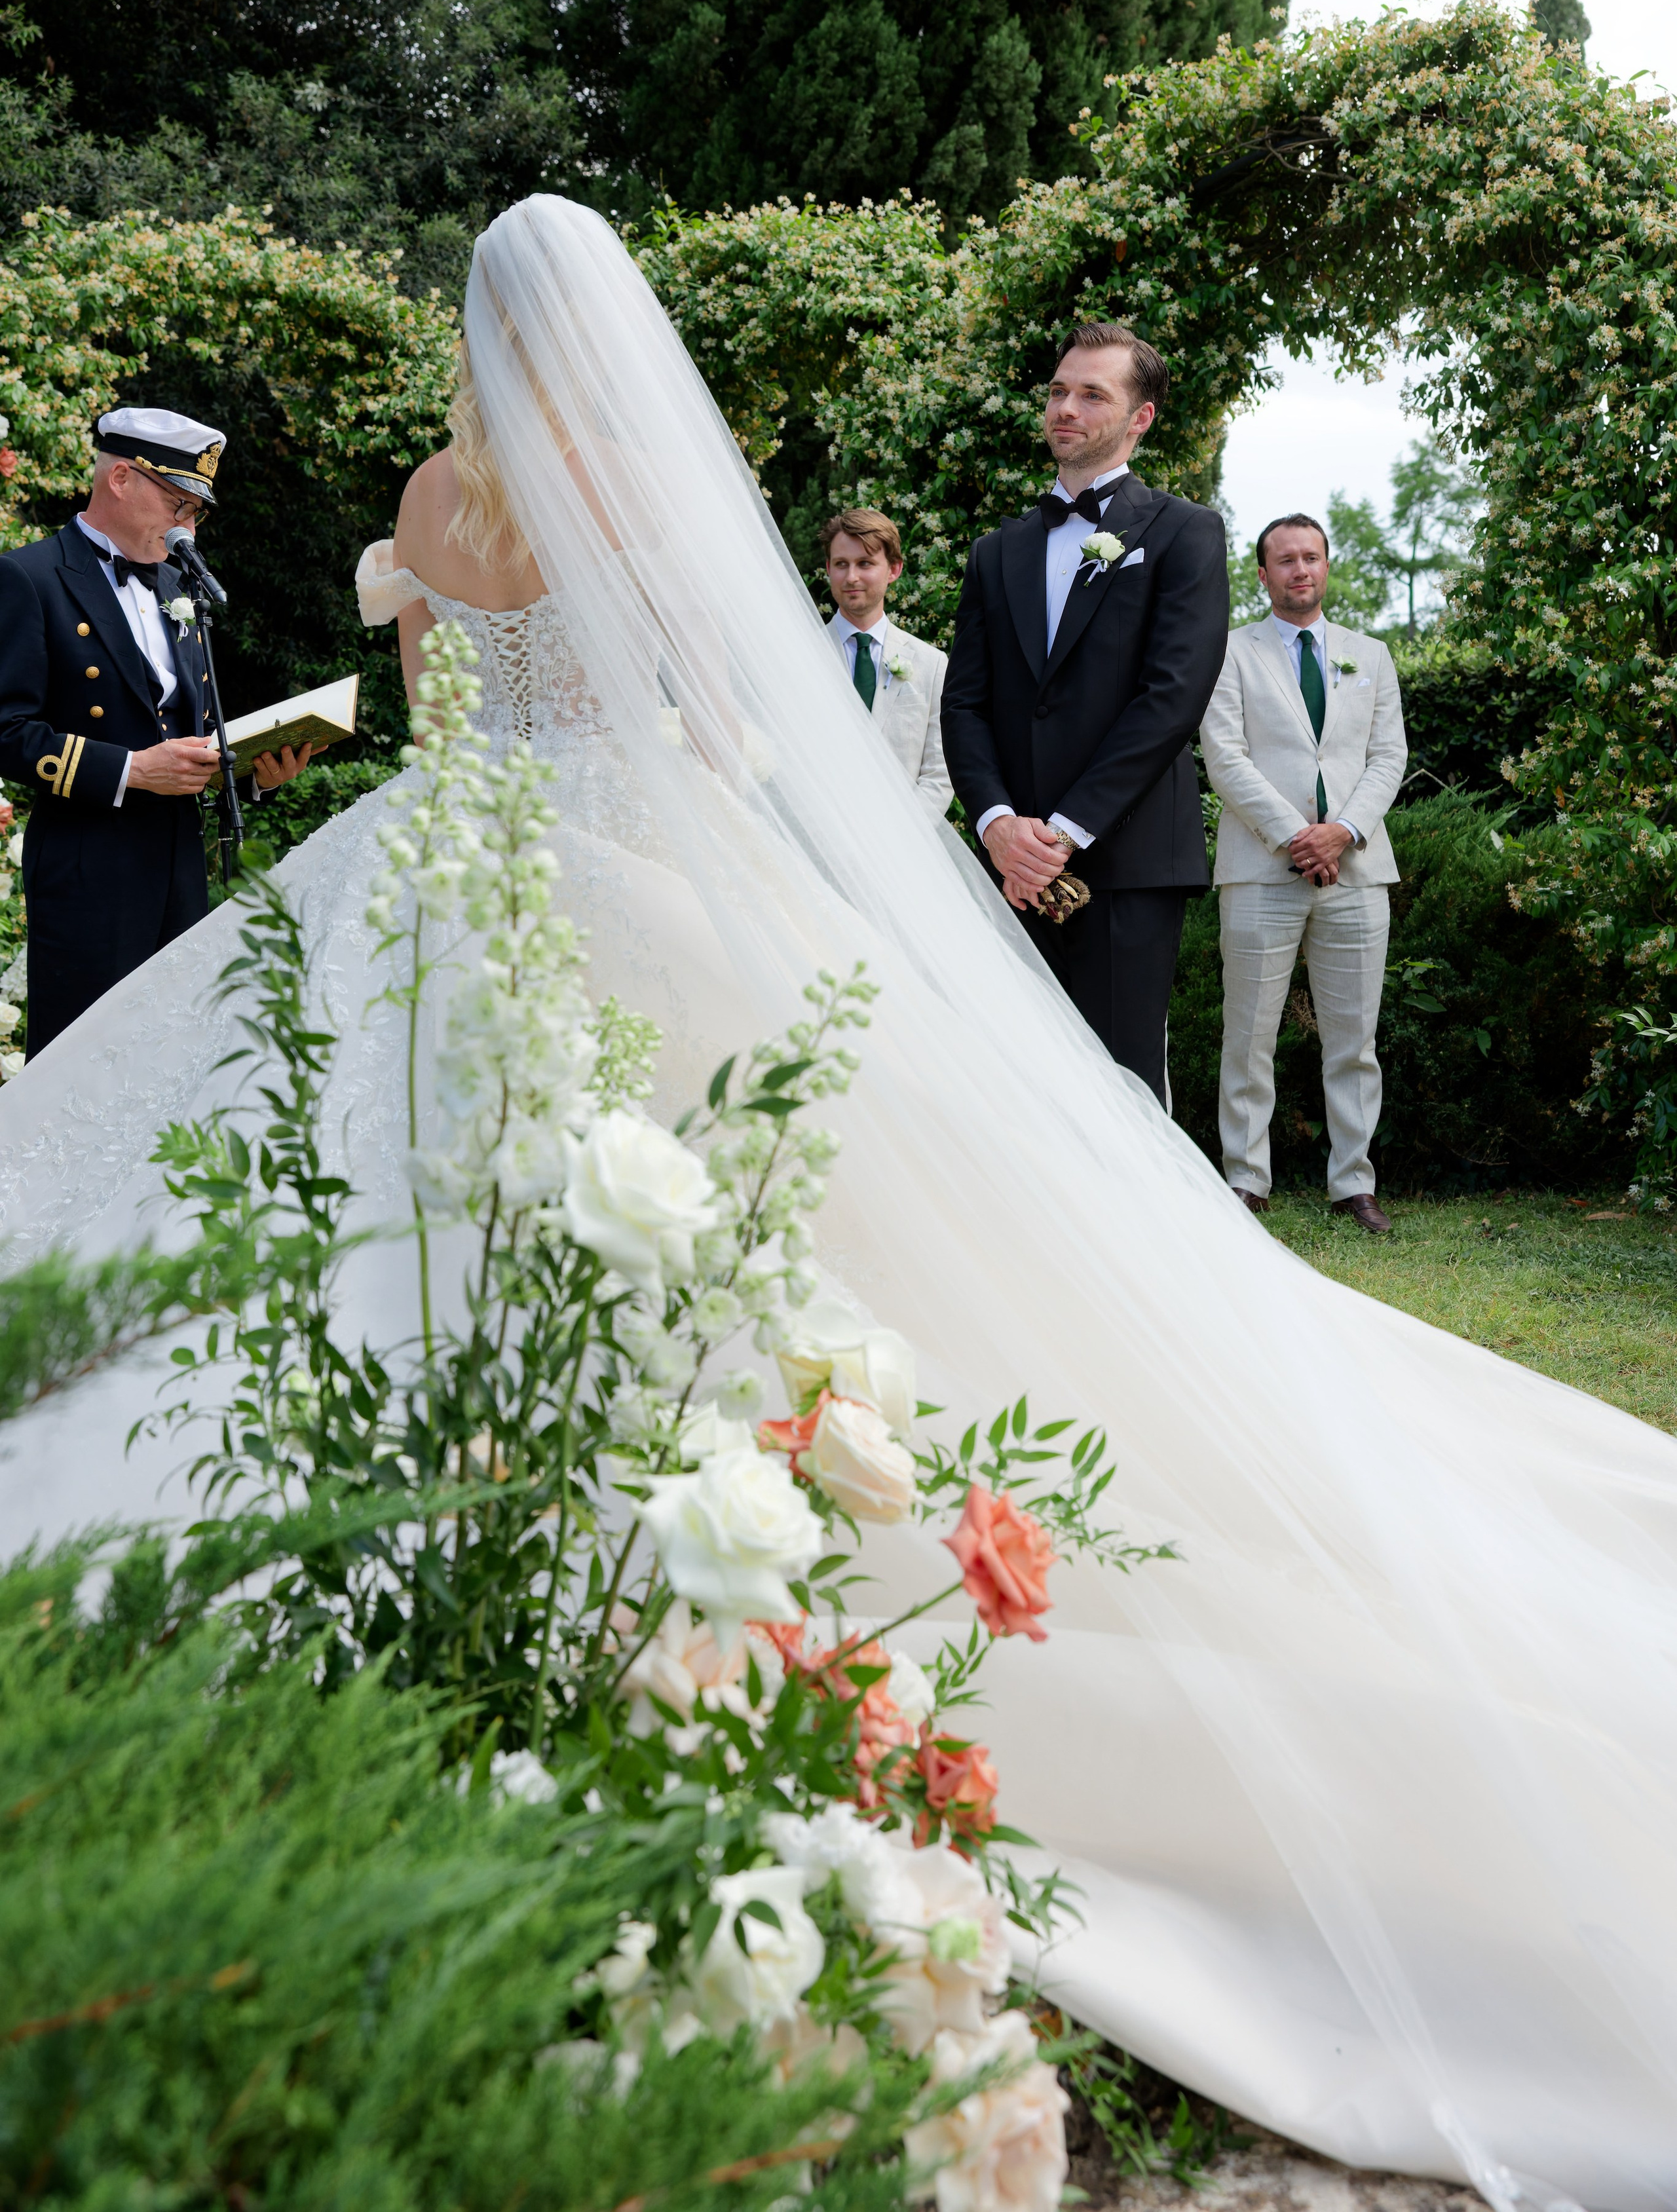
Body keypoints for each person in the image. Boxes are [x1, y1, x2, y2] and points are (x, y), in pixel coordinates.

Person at [4, 202, 1677, 2207]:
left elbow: (454, 712)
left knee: (408, 1177)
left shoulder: (434, 491)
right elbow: (699, 716)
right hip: (623, 859)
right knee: (751, 1188)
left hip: (451, 864)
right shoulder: (625, 472)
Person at [940, 324, 1228, 1104]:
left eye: (1092, 394)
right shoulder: (995, 550)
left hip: (1127, 860)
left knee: (1120, 1087)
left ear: (1141, 418)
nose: (1066, 407)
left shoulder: (1184, 533)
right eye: (1059, 391)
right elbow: (964, 703)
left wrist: (1062, 833)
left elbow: (1171, 699)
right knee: (1011, 1080)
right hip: (1010, 866)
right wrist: (998, 824)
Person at [0, 408, 313, 1056]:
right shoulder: (27, 577)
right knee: (81, 1068)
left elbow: (190, 728)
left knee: (166, 1072)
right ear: (120, 478)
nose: (188, 528)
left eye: (196, 513)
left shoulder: (179, 586)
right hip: (89, 870)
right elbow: (7, 732)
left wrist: (254, 775)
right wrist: (132, 770)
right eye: (178, 505)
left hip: (179, 865)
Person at [1201, 514, 1408, 1233]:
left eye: (1310, 557)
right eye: (1284, 560)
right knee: (1248, 1033)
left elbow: (1387, 757)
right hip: (1261, 870)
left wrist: (1341, 833)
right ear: (1261, 574)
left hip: (1356, 871)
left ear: (1327, 565)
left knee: (1354, 1040)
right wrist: (1296, 836)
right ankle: (1245, 1180)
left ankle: (1353, 1183)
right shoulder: (1228, 655)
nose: (1299, 570)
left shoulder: (1369, 655)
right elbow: (1224, 757)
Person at [822, 508, 952, 815]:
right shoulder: (800, 654)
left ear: (894, 570)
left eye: (865, 563)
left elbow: (939, 773)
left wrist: (901, 837)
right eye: (842, 564)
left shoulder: (931, 664)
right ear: (828, 569)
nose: (851, 576)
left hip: (903, 845)